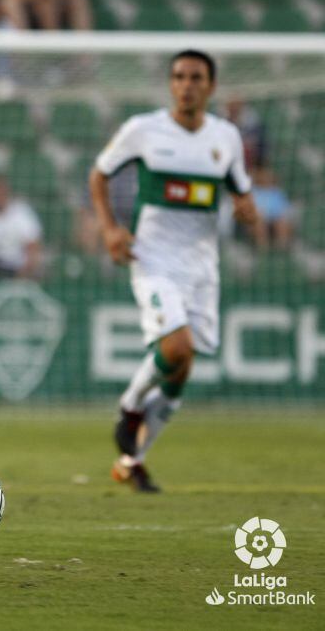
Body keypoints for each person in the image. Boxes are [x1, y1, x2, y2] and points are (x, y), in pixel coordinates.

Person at [89, 49, 258, 493]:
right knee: (177, 346)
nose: (187, 85)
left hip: (202, 266)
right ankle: (129, 407)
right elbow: (99, 175)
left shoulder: (226, 138)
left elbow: (242, 191)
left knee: (180, 372)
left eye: (196, 77)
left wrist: (246, 209)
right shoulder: (143, 130)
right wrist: (109, 228)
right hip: (152, 257)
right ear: (170, 84)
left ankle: (132, 459)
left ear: (211, 87)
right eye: (179, 76)